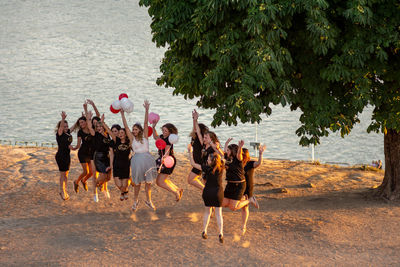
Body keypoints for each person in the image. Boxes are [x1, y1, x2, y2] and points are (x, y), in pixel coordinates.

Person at [188, 144, 224, 243]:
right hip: (218, 192)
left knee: (207, 212)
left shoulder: (206, 168)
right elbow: (223, 156)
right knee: (218, 213)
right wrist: (218, 148)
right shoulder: (221, 168)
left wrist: (190, 151)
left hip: (207, 192)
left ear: (211, 161)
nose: (207, 160)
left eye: (208, 159)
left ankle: (204, 230)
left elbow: (193, 164)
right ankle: (221, 232)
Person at [127, 101, 158, 211]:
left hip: (147, 160)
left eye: (136, 129)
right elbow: (125, 126)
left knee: (148, 182)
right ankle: (135, 201)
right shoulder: (132, 139)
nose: (134, 131)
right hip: (137, 161)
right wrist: (122, 113)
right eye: (133, 130)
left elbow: (146, 123)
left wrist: (146, 110)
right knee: (137, 183)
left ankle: (149, 200)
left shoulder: (145, 136)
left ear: (140, 130)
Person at [221, 139, 258, 211]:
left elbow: (239, 154)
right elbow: (224, 152)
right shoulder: (228, 159)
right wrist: (226, 143)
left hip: (239, 185)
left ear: (232, 151)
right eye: (227, 150)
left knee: (233, 208)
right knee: (223, 204)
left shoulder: (238, 160)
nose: (227, 151)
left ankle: (250, 200)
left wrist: (240, 147)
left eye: (229, 150)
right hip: (230, 185)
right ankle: (243, 198)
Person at [151, 120, 183, 202]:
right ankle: (177, 189)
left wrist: (163, 159)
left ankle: (176, 192)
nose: (164, 132)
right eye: (163, 130)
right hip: (162, 158)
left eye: (166, 131)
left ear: (170, 132)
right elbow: (155, 137)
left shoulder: (169, 139)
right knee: (161, 180)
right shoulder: (162, 136)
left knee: (160, 182)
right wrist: (153, 127)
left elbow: (167, 152)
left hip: (168, 160)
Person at [103, 117, 131, 201]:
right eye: (120, 133)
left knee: (124, 185)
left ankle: (124, 191)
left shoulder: (129, 142)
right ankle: (124, 192)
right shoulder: (116, 141)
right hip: (117, 165)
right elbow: (109, 131)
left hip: (126, 165)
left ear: (125, 134)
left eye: (122, 132)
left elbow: (127, 128)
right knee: (119, 185)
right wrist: (103, 122)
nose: (120, 134)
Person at [241, 145, 266, 235]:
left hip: (248, 187)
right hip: (239, 187)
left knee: (245, 207)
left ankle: (243, 226)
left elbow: (258, 163)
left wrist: (260, 154)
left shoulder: (250, 163)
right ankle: (251, 200)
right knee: (238, 204)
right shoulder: (238, 163)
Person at [87, 111, 112, 202]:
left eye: (100, 126)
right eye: (97, 126)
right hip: (96, 156)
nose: (98, 127)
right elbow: (89, 126)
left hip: (106, 156)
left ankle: (102, 186)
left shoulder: (107, 134)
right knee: (96, 175)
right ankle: (95, 193)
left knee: (107, 176)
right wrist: (88, 117)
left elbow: (109, 145)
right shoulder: (95, 133)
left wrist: (102, 121)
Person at [72, 103, 94, 193]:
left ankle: (83, 181)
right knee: (85, 171)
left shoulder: (90, 128)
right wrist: (73, 148)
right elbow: (78, 145)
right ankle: (76, 182)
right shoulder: (80, 132)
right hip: (82, 153)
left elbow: (89, 120)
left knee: (91, 172)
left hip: (90, 153)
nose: (81, 124)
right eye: (80, 123)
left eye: (82, 122)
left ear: (86, 122)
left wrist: (85, 109)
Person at [55, 111, 75, 201]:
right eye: (64, 126)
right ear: (61, 127)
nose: (66, 128)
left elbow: (74, 126)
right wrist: (63, 119)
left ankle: (64, 190)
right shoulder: (59, 134)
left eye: (67, 126)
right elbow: (61, 128)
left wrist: (81, 119)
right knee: (63, 174)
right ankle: (62, 191)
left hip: (67, 156)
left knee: (66, 174)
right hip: (61, 156)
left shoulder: (68, 132)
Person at [187, 109, 209, 190]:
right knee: (204, 182)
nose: (195, 129)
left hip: (200, 162)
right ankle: (207, 192)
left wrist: (196, 119)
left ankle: (206, 191)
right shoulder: (194, 136)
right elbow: (195, 129)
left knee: (191, 179)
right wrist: (193, 119)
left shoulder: (201, 140)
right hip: (197, 162)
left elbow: (197, 131)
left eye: (197, 128)